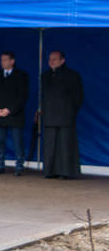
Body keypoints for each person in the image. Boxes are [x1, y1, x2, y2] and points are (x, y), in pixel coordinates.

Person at [40, 51, 83, 179]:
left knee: (64, 145)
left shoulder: (72, 75)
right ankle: (50, 171)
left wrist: (71, 111)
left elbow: (78, 97)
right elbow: (44, 96)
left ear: (62, 60)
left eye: (54, 59)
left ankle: (65, 172)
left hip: (65, 115)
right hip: (49, 115)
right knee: (50, 144)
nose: (51, 61)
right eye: (49, 59)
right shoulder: (45, 76)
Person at [0, 51, 29, 176]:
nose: (3, 62)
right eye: (1, 60)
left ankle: (19, 166)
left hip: (14, 115)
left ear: (12, 61)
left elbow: (22, 96)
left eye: (5, 60)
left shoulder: (21, 75)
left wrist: (9, 110)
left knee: (17, 142)